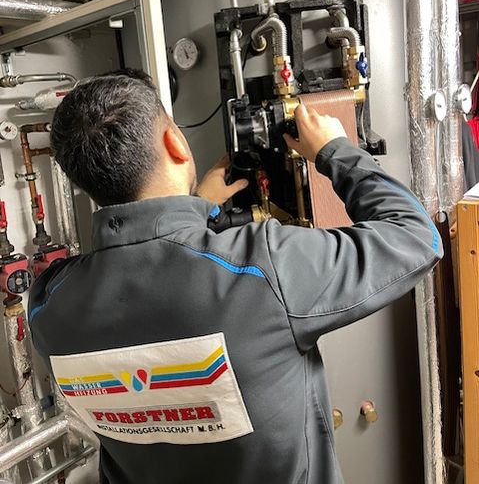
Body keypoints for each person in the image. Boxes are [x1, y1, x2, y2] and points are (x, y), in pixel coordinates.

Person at [28, 69, 442, 484]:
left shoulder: (49, 306)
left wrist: (195, 208)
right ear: (175, 143)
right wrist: (335, 150)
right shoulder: (263, 267)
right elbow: (414, 237)